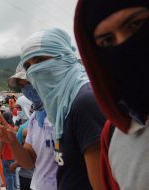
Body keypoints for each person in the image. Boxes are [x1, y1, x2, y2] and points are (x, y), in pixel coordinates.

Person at [74, 1, 149, 189]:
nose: (124, 44)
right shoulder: (117, 132)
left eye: (135, 24)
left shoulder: (84, 104)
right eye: (107, 40)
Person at [20, 28, 106, 190]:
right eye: (27, 65)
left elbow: (101, 184)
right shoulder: (63, 105)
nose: (33, 70)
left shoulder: (84, 102)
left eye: (40, 60)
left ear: (64, 56)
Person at [0, 64, 58, 190]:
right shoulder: (35, 119)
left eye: (29, 83)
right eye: (22, 86)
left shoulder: (67, 112)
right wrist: (13, 142)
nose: (27, 89)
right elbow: (29, 161)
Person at [0, 112, 16, 190]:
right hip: (14, 154)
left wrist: (0, 153)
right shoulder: (12, 127)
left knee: (8, 174)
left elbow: (2, 143)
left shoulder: (4, 129)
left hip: (6, 154)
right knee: (13, 174)